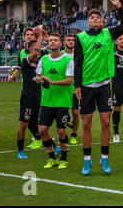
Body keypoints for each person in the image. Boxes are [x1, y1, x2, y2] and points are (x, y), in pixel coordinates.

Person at [74, 0, 123, 176]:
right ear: (88, 22)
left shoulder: (108, 34)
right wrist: (77, 86)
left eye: (98, 17)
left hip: (105, 85)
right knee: (86, 124)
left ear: (102, 21)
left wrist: (119, 7)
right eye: (92, 17)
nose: (95, 19)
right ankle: (87, 159)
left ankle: (104, 157)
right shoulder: (81, 37)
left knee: (106, 122)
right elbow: (77, 62)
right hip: (86, 86)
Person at [36, 33, 74, 169]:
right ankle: (52, 158)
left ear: (60, 44)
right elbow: (38, 76)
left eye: (55, 40)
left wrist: (52, 81)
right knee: (42, 130)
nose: (52, 42)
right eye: (50, 40)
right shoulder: (43, 59)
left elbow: (69, 81)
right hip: (46, 101)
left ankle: (63, 159)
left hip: (62, 102)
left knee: (61, 131)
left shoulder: (67, 60)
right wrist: (39, 79)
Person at [8, 28, 43, 149]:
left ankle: (49, 143)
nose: (29, 36)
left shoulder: (42, 54)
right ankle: (23, 148)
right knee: (27, 121)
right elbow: (20, 69)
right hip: (28, 92)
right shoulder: (24, 56)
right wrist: (12, 76)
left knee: (41, 120)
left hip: (40, 92)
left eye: (31, 34)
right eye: (26, 34)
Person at [62, 34, 80, 145]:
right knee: (62, 112)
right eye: (68, 40)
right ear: (64, 42)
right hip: (63, 88)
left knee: (76, 112)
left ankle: (74, 135)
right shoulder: (60, 55)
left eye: (73, 40)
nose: (71, 42)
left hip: (75, 88)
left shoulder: (78, 55)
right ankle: (62, 134)